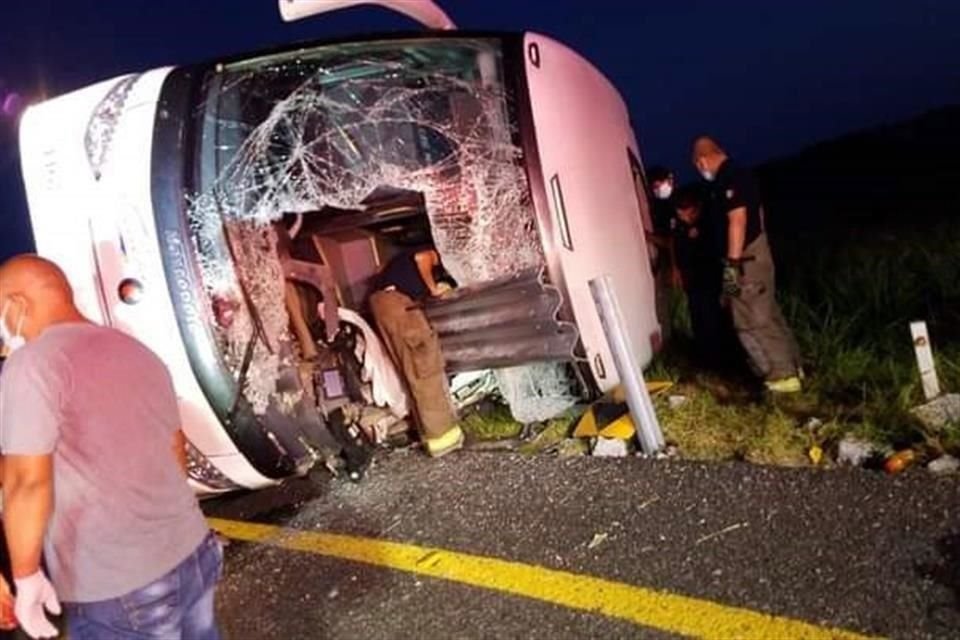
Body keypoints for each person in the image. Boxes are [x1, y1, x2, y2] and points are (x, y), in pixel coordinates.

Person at [0, 254, 221, 639]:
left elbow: (27, 483)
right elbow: (174, 448)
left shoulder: (32, 364)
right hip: (192, 552)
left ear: (17, 305)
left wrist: (26, 574)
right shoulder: (132, 348)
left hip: (121, 588)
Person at [691, 137, 802, 393]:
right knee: (769, 314)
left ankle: (780, 378)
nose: (700, 170)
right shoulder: (740, 174)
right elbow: (759, 216)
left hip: (744, 261)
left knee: (750, 320)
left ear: (702, 160)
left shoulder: (730, 177)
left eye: (698, 165)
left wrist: (731, 265)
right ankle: (794, 368)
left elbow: (737, 221)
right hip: (753, 256)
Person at [368, 245, 463, 457]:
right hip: (399, 308)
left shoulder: (400, 262)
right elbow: (422, 258)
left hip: (385, 307)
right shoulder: (428, 252)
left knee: (413, 375)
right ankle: (444, 440)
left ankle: (429, 437)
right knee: (425, 370)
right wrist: (434, 289)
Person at [671, 184, 740, 370]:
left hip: (712, 277)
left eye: (690, 213)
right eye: (681, 214)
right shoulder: (680, 227)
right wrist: (677, 269)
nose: (686, 218)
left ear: (698, 207)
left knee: (717, 319)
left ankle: (725, 362)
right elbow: (676, 245)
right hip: (693, 281)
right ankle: (706, 360)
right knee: (698, 318)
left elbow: (724, 253)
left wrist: (729, 286)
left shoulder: (711, 223)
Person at [646, 166, 681, 342]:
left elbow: (672, 241)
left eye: (662, 184)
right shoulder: (659, 205)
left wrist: (649, 237)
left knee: (668, 305)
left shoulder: (676, 205)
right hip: (665, 262)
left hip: (675, 263)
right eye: (656, 186)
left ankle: (670, 340)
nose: (659, 189)